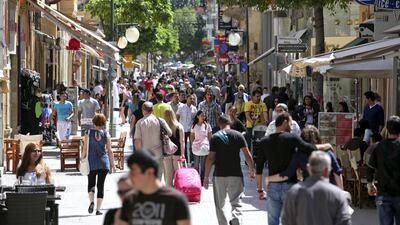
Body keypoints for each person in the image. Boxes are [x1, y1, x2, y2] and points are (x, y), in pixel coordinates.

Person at [255, 113, 333, 225]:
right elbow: (309, 148)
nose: (291, 127)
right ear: (285, 122)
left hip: (272, 186)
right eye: (291, 123)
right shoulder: (292, 138)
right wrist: (326, 145)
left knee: (272, 221)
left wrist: (260, 189)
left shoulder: (264, 141)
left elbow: (259, 167)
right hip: (289, 185)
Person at [203, 115, 255, 225]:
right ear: (230, 123)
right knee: (236, 203)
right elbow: (247, 155)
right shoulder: (238, 135)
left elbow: (210, 158)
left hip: (219, 175)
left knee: (219, 205)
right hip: (236, 174)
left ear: (219, 124)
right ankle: (236, 219)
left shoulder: (215, 137)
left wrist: (206, 177)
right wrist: (251, 170)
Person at [118, 151, 191, 225]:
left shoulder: (176, 200)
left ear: (150, 172)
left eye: (133, 172)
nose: (130, 177)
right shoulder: (129, 199)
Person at [281, 151, 352, 225]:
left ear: (308, 168)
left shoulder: (294, 192)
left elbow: (286, 221)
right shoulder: (338, 195)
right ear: (327, 170)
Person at [265, 125, 344, 189]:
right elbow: (337, 173)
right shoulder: (328, 152)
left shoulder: (299, 155)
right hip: (330, 191)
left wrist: (269, 178)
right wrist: (341, 193)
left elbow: (286, 174)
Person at [366, 116, 400, 225]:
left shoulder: (378, 147)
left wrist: (370, 184)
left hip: (384, 195)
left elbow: (370, 168)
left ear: (387, 129)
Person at [82, 114, 116, 215]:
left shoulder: (88, 133)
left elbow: (85, 150)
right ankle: (98, 210)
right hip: (103, 162)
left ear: (93, 122)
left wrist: (82, 159)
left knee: (91, 184)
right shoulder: (106, 134)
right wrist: (112, 165)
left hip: (91, 162)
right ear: (104, 122)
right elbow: (110, 151)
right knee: (101, 186)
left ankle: (92, 201)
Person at [134, 101, 172, 179]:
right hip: (159, 154)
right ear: (152, 110)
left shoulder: (140, 123)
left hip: (145, 156)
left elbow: (137, 141)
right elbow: (170, 133)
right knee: (158, 179)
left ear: (143, 110)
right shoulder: (160, 120)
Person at [163, 109, 185, 187]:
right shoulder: (179, 126)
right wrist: (182, 153)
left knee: (168, 175)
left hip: (166, 153)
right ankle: (179, 190)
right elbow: (182, 141)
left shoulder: (163, 127)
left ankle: (169, 191)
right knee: (178, 174)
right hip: (177, 152)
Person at [190, 110, 212, 183]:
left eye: (204, 115)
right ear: (197, 116)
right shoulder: (194, 126)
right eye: (202, 115)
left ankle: (202, 180)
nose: (203, 117)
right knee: (196, 165)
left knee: (203, 166)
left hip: (204, 148)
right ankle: (196, 180)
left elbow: (210, 136)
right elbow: (192, 136)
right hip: (196, 148)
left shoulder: (207, 125)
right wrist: (193, 143)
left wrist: (208, 145)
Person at [176, 94, 197, 164]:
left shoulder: (194, 108)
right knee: (183, 145)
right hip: (183, 129)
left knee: (191, 146)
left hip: (191, 130)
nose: (192, 100)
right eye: (190, 98)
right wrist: (177, 126)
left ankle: (191, 160)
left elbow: (195, 119)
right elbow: (177, 116)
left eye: (193, 99)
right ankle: (184, 160)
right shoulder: (181, 107)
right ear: (187, 98)